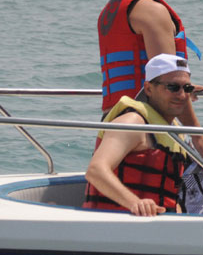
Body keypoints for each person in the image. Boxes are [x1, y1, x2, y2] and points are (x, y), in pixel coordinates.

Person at [97, 0, 203, 206]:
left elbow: (143, 72)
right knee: (202, 210)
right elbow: (168, 82)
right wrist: (198, 137)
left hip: (115, 123)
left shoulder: (113, 7)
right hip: (150, 129)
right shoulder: (151, 9)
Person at [84, 54, 196, 216]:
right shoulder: (132, 123)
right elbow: (96, 171)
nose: (181, 95)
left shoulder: (174, 132)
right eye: (172, 87)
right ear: (149, 89)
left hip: (159, 225)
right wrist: (135, 203)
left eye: (187, 88)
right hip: (115, 223)